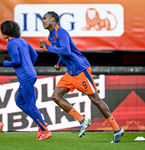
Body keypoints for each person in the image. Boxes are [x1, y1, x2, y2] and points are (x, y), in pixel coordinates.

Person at [39, 11, 124, 143]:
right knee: (56, 96)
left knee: (95, 99)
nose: (43, 21)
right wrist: (59, 63)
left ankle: (117, 128)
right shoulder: (51, 36)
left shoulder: (61, 32)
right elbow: (63, 53)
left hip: (80, 69)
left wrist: (47, 48)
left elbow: (66, 50)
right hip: (71, 72)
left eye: (45, 19)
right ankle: (82, 120)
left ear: (53, 19)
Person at [0, 20, 52, 140]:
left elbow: (16, 61)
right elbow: (35, 55)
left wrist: (6, 63)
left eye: (2, 30)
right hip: (30, 75)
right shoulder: (23, 40)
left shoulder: (11, 43)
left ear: (6, 31)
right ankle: (40, 123)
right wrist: (29, 66)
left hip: (26, 77)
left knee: (30, 105)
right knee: (20, 102)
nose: (1, 33)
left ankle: (44, 129)